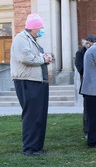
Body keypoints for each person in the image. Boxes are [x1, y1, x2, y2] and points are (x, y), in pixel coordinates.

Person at [10, 13, 53, 156]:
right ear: (33, 28)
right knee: (32, 116)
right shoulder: (20, 39)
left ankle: (37, 146)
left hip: (37, 81)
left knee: (40, 115)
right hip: (27, 81)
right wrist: (43, 58)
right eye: (40, 27)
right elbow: (25, 58)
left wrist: (44, 57)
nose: (42, 29)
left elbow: (34, 56)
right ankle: (29, 148)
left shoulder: (32, 39)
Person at [75, 35, 95, 138]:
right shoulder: (80, 53)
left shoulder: (95, 52)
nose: (88, 45)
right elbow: (81, 69)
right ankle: (87, 130)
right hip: (87, 83)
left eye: (90, 44)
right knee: (87, 109)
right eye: (87, 43)